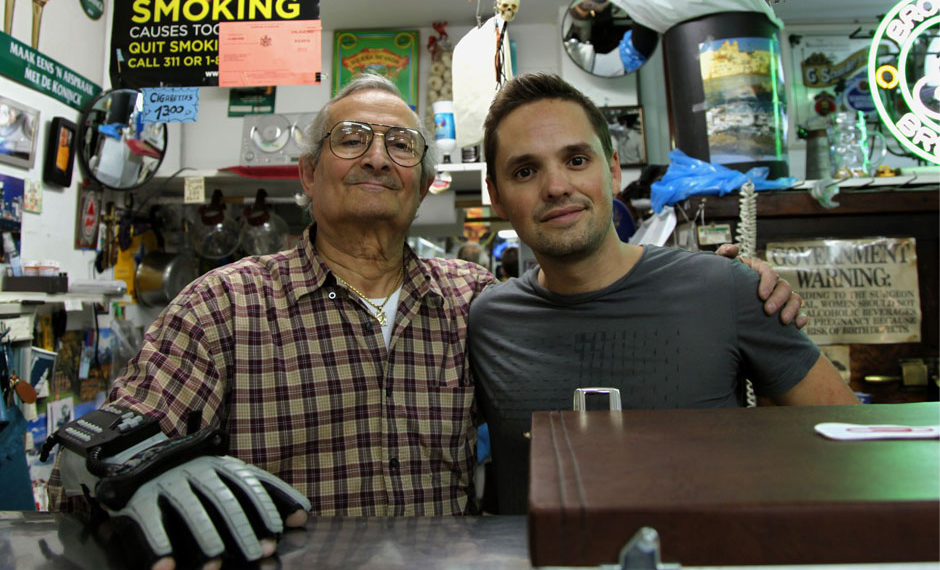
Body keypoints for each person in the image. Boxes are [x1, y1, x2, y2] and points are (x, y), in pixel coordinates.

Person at [46, 74, 802, 567]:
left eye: (400, 144)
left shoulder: (481, 302)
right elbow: (97, 459)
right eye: (352, 139)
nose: (378, 157)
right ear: (306, 175)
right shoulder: (221, 307)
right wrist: (131, 473)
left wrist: (725, 283)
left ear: (424, 182)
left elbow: (599, 317)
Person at [469, 72, 859, 514]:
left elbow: (851, 444)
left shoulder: (726, 289)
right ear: (496, 197)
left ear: (613, 171)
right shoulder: (487, 322)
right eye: (525, 170)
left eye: (576, 160)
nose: (557, 186)